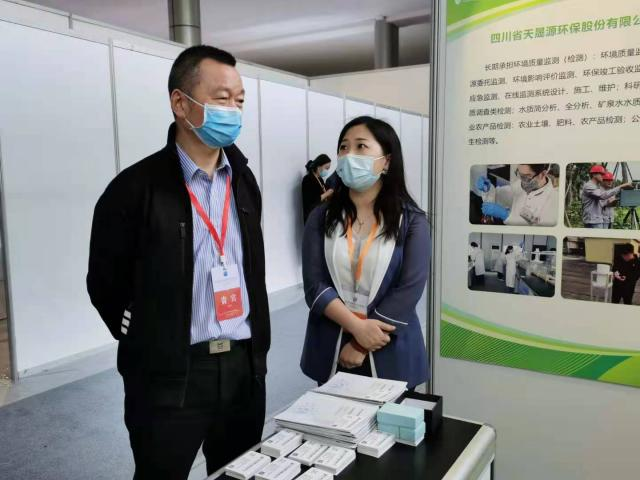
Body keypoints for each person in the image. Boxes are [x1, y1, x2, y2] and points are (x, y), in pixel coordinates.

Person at [87, 45, 270, 479]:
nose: (233, 110)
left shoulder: (243, 181)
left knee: (238, 473)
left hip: (242, 369)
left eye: (239, 100)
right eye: (221, 98)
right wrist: (146, 333)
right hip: (170, 378)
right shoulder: (135, 188)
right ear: (180, 103)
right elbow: (105, 281)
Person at [300, 116, 429, 389]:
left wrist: (361, 344)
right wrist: (357, 328)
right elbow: (314, 284)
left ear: (387, 161)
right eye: (343, 147)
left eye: (361, 146)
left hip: (390, 346)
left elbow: (409, 288)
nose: (349, 155)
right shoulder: (321, 217)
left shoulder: (412, 221)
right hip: (332, 344)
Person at [476, 164, 559, 226]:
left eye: (526, 177)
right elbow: (503, 195)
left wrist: (507, 216)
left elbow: (537, 229)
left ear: (543, 174)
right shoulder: (520, 184)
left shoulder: (554, 200)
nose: (522, 181)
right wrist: (488, 189)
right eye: (519, 174)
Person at [302, 154, 333, 223]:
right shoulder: (308, 179)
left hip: (320, 215)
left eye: (328, 169)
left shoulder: (320, 179)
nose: (327, 171)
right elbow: (312, 200)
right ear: (319, 167)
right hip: (311, 217)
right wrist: (327, 193)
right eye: (326, 168)